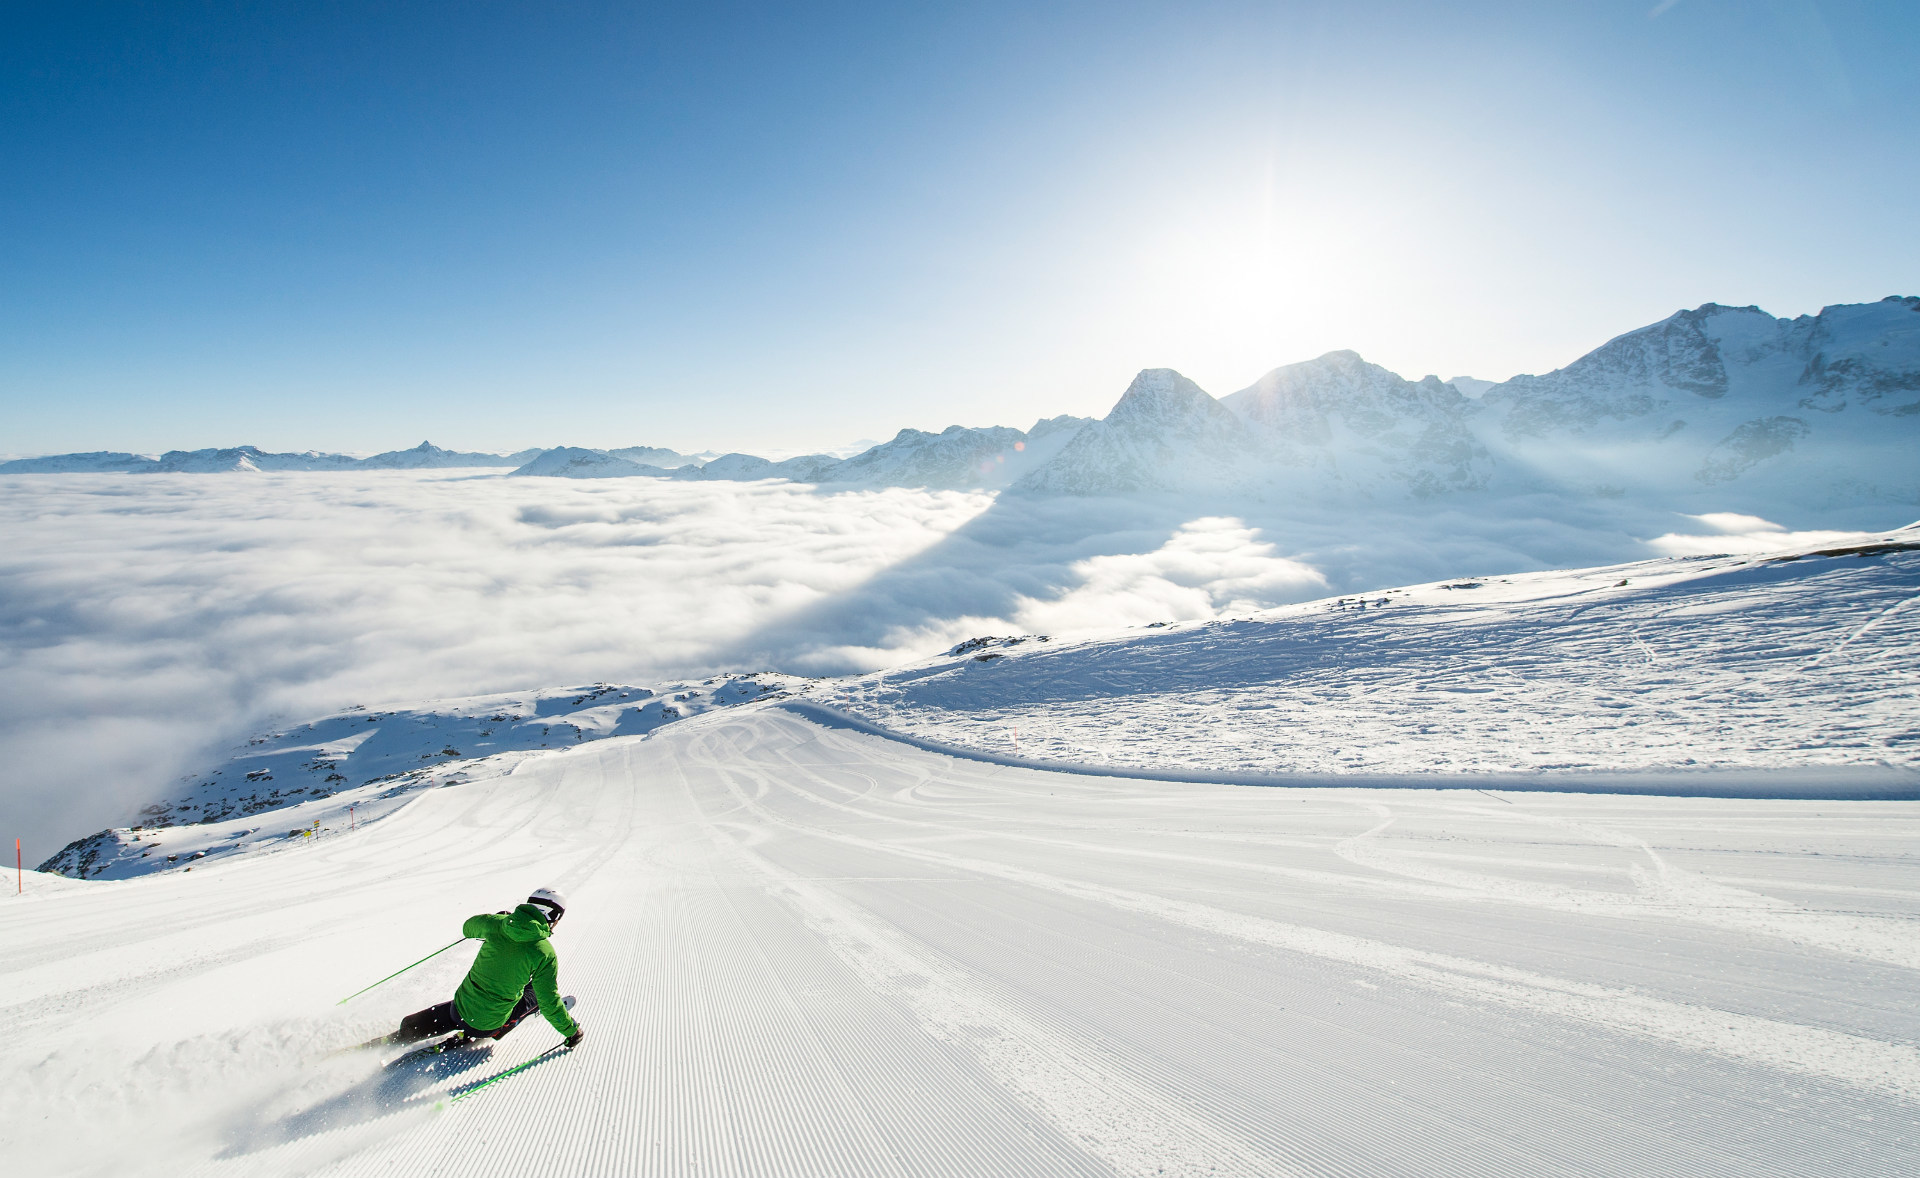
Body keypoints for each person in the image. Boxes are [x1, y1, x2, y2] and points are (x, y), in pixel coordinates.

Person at [387, 886, 583, 1049]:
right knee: (534, 991)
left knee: (449, 1013)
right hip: (488, 1025)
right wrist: (572, 1031)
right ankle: (486, 1030)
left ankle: (399, 1036)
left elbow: (468, 927)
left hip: (459, 1009)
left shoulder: (498, 925)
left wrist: (496, 920)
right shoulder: (544, 952)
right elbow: (549, 1003)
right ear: (553, 916)